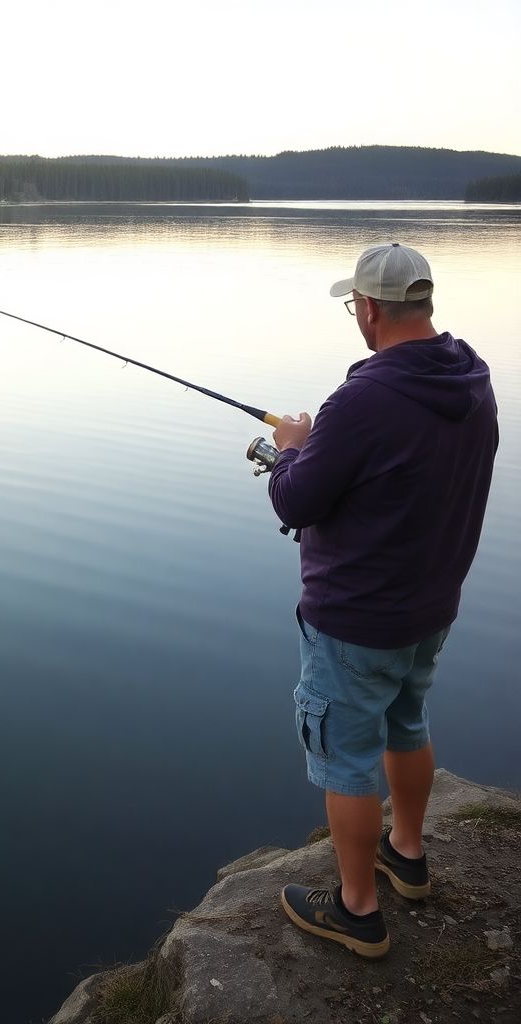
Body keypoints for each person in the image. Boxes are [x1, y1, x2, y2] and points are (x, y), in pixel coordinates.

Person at [267, 242, 498, 958]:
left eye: (353, 307)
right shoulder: (472, 378)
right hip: (429, 607)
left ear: (367, 308)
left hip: (356, 618)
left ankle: (358, 910)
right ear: (423, 303)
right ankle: (406, 851)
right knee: (407, 722)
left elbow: (297, 498)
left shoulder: (362, 399)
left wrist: (291, 448)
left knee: (345, 759)